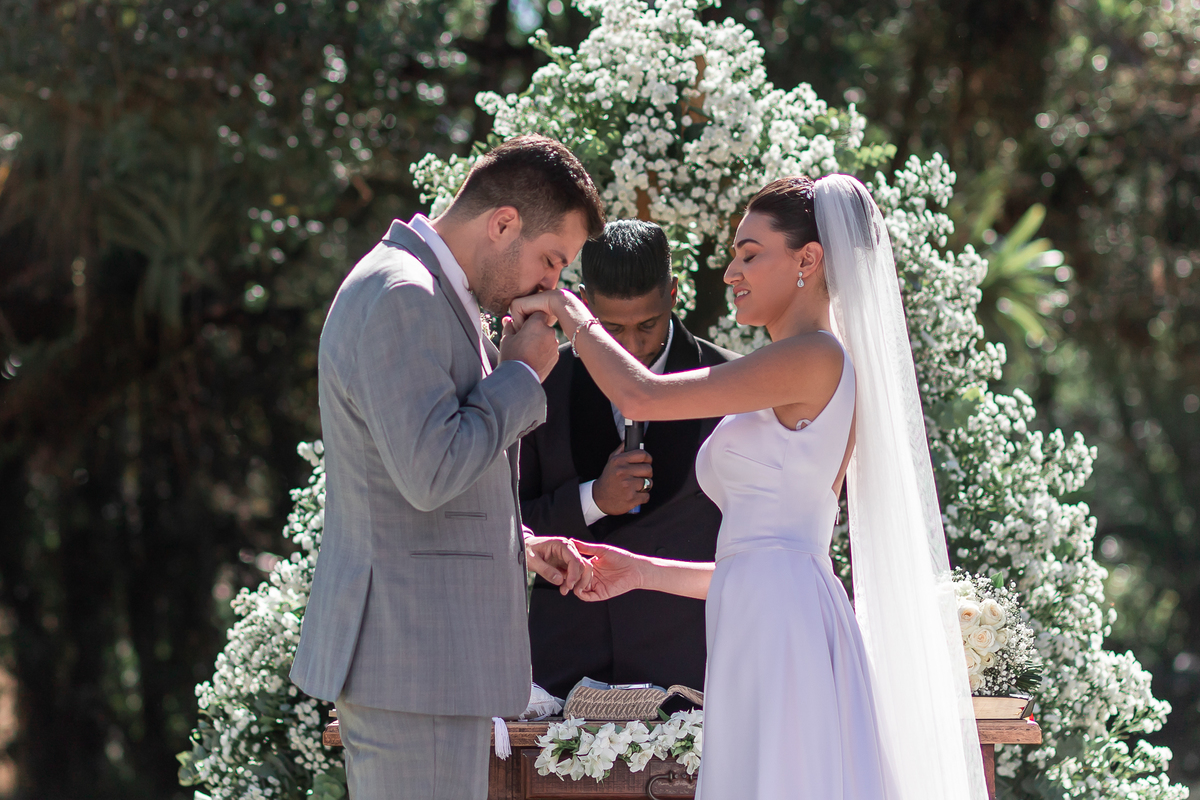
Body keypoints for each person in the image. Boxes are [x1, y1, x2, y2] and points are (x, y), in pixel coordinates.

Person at [509, 175, 989, 799]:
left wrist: (572, 311)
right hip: (758, 610)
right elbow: (765, 554)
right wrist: (644, 571)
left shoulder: (818, 357)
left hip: (779, 625)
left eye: (750, 253)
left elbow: (640, 394)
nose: (732, 272)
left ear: (808, 260)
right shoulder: (786, 369)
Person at [290, 135, 604, 800]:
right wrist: (521, 373)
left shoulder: (425, 291)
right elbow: (429, 473)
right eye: (551, 260)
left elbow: (405, 480)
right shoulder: (403, 295)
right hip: (411, 667)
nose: (552, 283)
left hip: (422, 665)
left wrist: (515, 545)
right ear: (502, 223)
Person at [519, 220, 736, 699]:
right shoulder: (538, 383)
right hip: (563, 674)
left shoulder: (733, 383)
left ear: (674, 294)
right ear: (584, 304)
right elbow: (506, 522)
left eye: (648, 326)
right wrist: (591, 500)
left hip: (693, 674)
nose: (634, 347)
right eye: (613, 329)